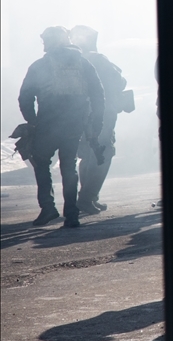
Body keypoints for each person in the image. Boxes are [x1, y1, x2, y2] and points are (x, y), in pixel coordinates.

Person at [18, 26, 105, 228]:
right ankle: (72, 214)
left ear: (51, 42)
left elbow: (25, 97)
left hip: (47, 125)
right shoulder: (83, 64)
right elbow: (98, 95)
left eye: (45, 41)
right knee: (69, 167)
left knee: (41, 163)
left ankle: (48, 208)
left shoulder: (39, 66)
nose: (44, 45)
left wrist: (32, 120)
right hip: (74, 125)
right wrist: (95, 123)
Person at [70, 26, 132, 216]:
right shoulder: (98, 59)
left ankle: (89, 197)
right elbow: (119, 81)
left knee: (88, 154)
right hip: (101, 113)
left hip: (80, 114)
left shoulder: (71, 61)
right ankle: (87, 198)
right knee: (102, 154)